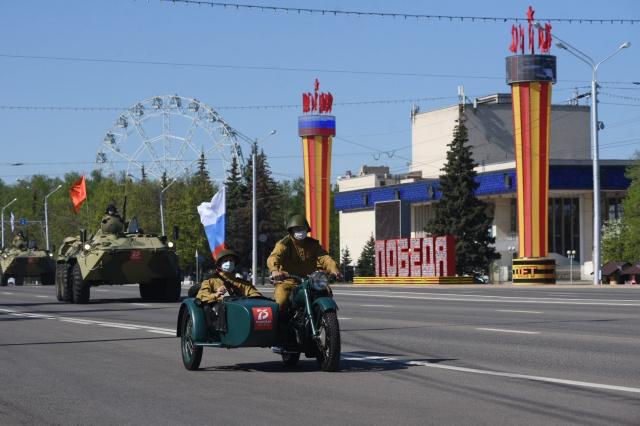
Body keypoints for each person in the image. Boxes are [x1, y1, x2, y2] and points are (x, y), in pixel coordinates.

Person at [267, 214, 340, 317]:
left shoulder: (313, 244)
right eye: (297, 229)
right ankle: (280, 328)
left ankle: (326, 319)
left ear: (307, 230)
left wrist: (334, 269)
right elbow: (273, 257)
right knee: (281, 301)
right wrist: (274, 270)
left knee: (326, 291)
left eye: (302, 228)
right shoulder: (283, 244)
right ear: (291, 230)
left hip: (309, 281)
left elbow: (325, 258)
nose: (300, 231)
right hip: (288, 282)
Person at [196, 249, 262, 304]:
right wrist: (216, 295)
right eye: (225, 261)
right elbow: (201, 296)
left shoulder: (243, 283)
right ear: (219, 265)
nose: (229, 263)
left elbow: (256, 295)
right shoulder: (210, 281)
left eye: (231, 261)